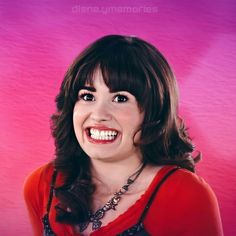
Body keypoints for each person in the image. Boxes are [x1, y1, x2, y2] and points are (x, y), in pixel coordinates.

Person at [23, 35, 223, 236]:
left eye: (120, 98)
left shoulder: (186, 196)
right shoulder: (42, 184)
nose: (99, 114)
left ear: (154, 112)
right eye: (87, 96)